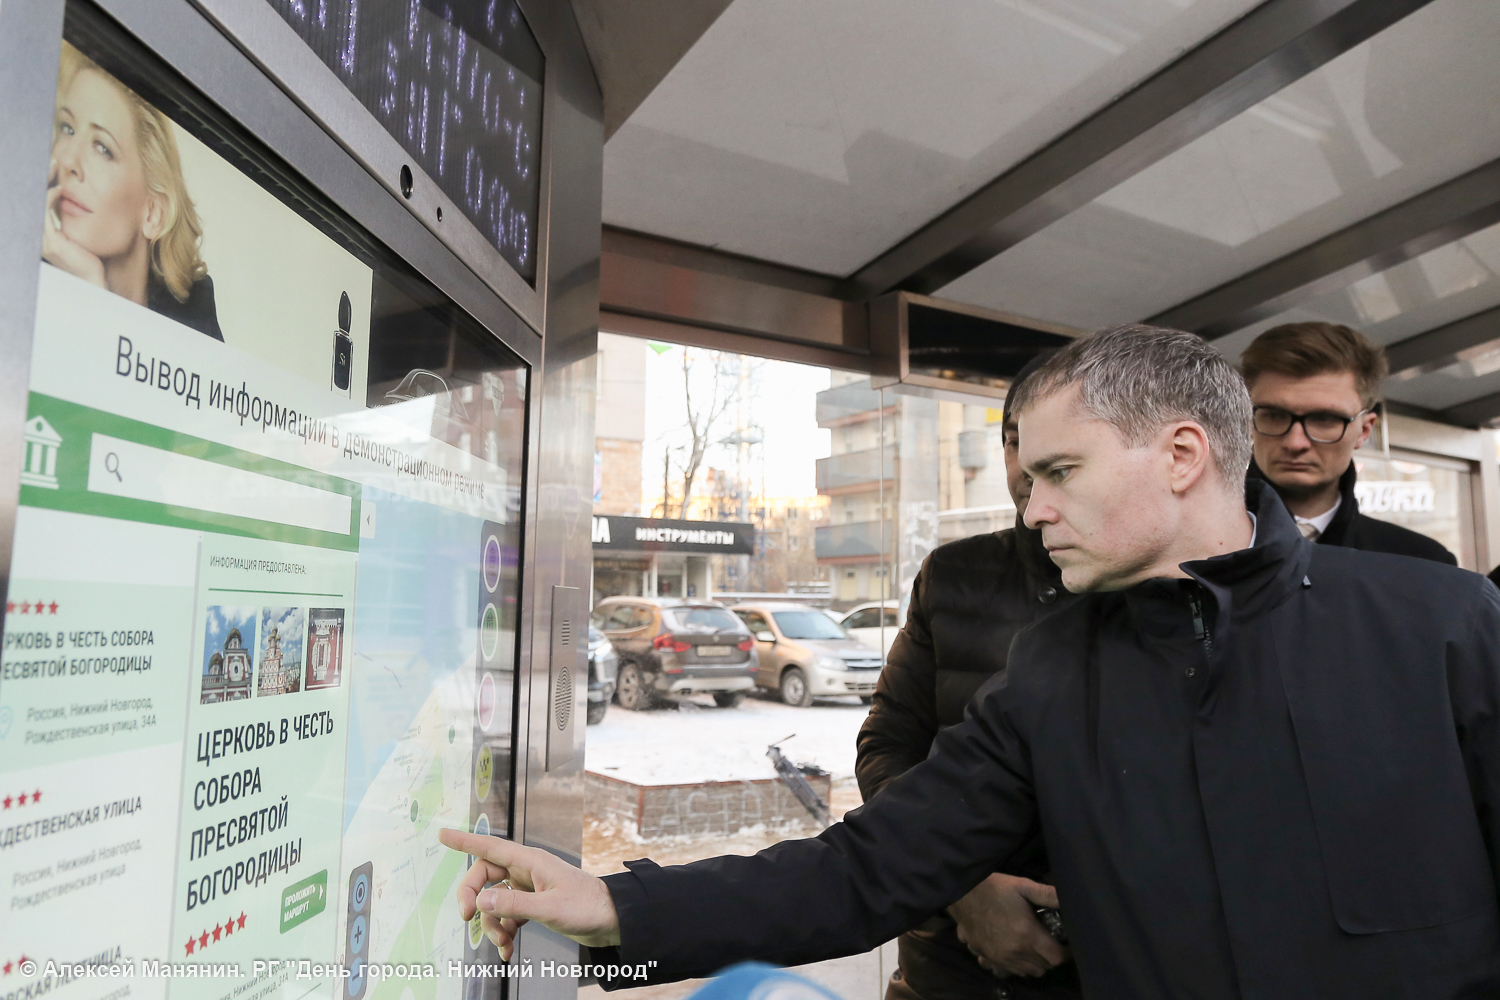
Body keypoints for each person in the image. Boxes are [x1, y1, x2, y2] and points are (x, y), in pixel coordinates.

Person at [441, 325, 1500, 999]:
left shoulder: (1444, 622)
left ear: (1182, 455)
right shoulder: (1054, 673)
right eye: (1029, 475)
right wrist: (617, 910)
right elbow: (865, 871)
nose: (1033, 507)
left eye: (1061, 471)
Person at [857, 355, 1081, 1000]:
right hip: (946, 970)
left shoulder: (1176, 591)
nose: (1029, 470)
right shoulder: (953, 573)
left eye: (1058, 453)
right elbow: (887, 747)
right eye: (1015, 444)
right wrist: (963, 888)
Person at [43, 44, 223, 340]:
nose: (69, 161)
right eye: (67, 128)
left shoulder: (192, 309)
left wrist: (94, 296)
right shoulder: (20, 274)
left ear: (153, 213)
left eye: (103, 148)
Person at [1241, 322, 1452, 563]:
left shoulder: (1422, 563)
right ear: (1248, 421)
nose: (1295, 442)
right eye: (1274, 415)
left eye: (1324, 419)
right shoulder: (1194, 551)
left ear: (1364, 430)